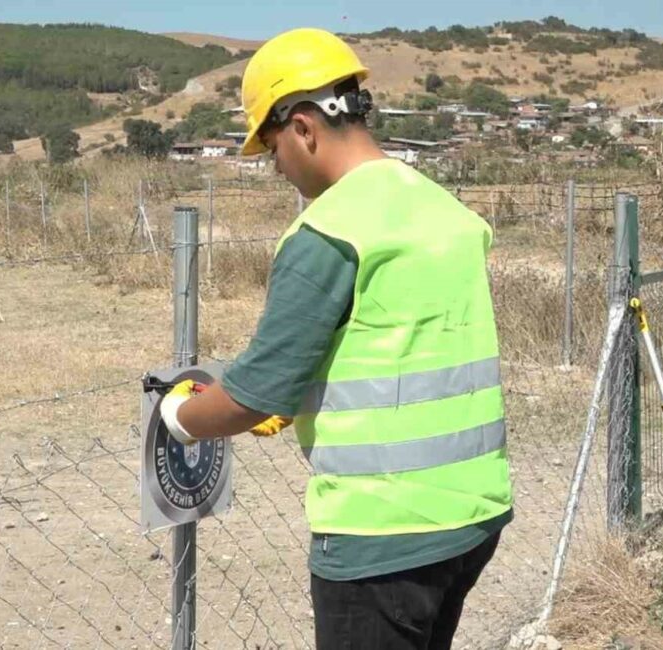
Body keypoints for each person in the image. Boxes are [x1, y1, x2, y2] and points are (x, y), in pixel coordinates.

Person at [159, 27, 514, 650]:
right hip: (474, 514)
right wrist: (305, 399)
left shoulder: (329, 231)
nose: (275, 165)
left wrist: (180, 417)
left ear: (303, 127)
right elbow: (397, 342)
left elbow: (255, 394)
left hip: (381, 536)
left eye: (270, 146)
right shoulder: (442, 210)